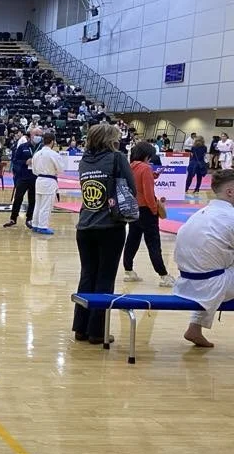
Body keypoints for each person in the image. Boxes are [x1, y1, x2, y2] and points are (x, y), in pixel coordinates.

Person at [71, 123, 136, 345]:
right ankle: (97, 332)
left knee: (87, 275)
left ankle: (80, 328)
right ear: (111, 139)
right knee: (105, 279)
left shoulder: (84, 161)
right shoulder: (117, 158)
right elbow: (130, 189)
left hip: (85, 225)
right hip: (110, 225)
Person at [173, 169, 234, 348]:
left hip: (186, 284)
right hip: (210, 285)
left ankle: (195, 328)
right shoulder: (229, 217)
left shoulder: (201, 213)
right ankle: (195, 327)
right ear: (230, 191)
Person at [122, 141, 175, 287]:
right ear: (146, 155)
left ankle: (129, 271)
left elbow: (137, 184)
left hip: (133, 208)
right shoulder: (145, 168)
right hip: (146, 210)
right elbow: (148, 193)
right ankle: (164, 275)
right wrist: (154, 210)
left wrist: (153, 175)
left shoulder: (130, 166)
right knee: (153, 243)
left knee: (132, 240)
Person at [30, 130, 66, 235]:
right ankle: (42, 226)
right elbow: (60, 169)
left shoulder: (37, 154)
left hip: (39, 180)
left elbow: (34, 170)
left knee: (38, 204)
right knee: (46, 205)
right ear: (52, 142)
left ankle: (35, 224)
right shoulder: (53, 154)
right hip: (49, 181)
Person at [4, 126, 40, 229]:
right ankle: (13, 218)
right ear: (31, 135)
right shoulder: (23, 146)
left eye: (39, 135)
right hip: (23, 176)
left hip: (35, 177)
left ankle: (29, 219)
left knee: (32, 199)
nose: (38, 137)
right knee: (18, 197)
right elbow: (15, 161)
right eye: (36, 135)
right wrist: (25, 162)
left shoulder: (41, 148)